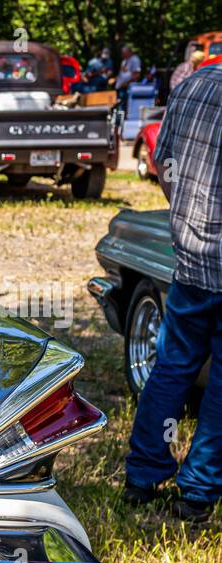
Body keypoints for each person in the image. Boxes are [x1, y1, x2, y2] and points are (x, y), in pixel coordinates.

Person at [124, 65, 222, 521]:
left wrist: (185, 217)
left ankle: (144, 476)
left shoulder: (192, 85)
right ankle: (197, 490)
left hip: (191, 255)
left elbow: (163, 166)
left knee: (172, 367)